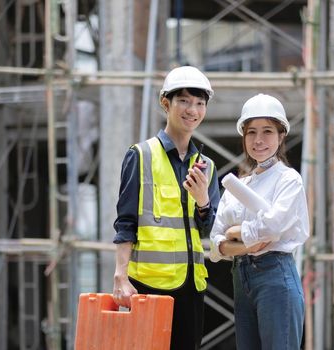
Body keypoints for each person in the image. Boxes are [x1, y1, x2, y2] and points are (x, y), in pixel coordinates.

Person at [112, 66, 221, 350]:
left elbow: (211, 229)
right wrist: (120, 275)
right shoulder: (141, 155)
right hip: (147, 284)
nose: (192, 110)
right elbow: (125, 221)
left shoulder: (206, 166)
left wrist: (203, 201)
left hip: (191, 286)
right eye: (184, 101)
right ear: (166, 103)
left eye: (199, 103)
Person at [210, 93, 309, 350]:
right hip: (241, 278)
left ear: (281, 135)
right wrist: (245, 243)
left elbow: (273, 228)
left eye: (267, 131)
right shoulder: (238, 185)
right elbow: (215, 240)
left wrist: (235, 233)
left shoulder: (288, 180)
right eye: (251, 132)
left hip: (275, 275)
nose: (258, 139)